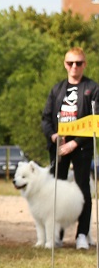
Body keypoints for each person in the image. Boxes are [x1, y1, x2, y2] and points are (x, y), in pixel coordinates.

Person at [41, 47, 99, 250]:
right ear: (65, 64)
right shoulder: (57, 90)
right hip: (59, 147)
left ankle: (82, 234)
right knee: (56, 190)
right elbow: (46, 119)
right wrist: (53, 136)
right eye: (70, 63)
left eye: (79, 63)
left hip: (81, 148)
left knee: (83, 190)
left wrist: (75, 143)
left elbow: (95, 120)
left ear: (84, 64)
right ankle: (57, 234)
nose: (74, 67)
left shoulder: (93, 88)